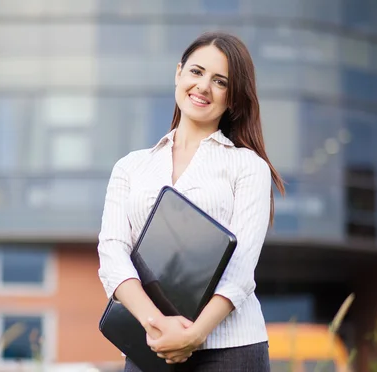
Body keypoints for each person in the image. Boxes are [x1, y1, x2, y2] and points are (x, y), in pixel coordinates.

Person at [96, 31, 285, 371]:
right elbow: (112, 253)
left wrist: (194, 335)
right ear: (178, 73)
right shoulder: (130, 166)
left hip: (231, 349)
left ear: (233, 98)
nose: (203, 87)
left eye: (220, 81)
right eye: (196, 72)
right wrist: (156, 323)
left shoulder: (248, 167)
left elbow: (240, 270)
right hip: (149, 345)